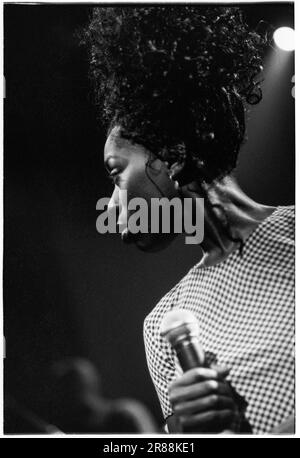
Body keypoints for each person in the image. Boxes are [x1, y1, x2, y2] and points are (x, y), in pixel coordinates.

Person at [82, 6, 295, 434]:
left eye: (116, 173)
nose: (113, 204)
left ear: (173, 156)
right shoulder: (163, 323)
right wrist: (186, 429)